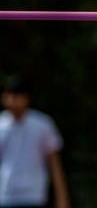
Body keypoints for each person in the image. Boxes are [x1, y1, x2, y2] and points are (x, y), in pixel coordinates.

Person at [0, 76, 71, 208]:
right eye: (8, 96)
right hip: (4, 196)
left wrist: (62, 199)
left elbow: (55, 164)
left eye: (16, 96)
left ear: (27, 98)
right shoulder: (1, 125)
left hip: (33, 196)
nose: (11, 101)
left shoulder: (42, 125)